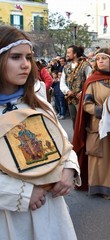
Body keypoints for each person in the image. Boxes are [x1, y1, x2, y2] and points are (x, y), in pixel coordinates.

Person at [0, 25, 81, 240]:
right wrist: (23, 193)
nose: (25, 65)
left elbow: (62, 144)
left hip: (51, 209)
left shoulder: (38, 103)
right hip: (10, 217)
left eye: (28, 57)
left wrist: (68, 170)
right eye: (15, 57)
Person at [72, 48, 110, 199]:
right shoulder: (92, 81)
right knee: (99, 159)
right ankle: (99, 189)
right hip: (99, 126)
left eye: (104, 58)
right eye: (98, 59)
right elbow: (86, 105)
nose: (100, 61)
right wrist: (104, 111)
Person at [60, 45, 92, 129]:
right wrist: (67, 91)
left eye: (68, 52)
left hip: (82, 98)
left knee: (83, 120)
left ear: (75, 54)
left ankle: (85, 141)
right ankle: (76, 140)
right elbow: (62, 82)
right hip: (71, 99)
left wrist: (82, 92)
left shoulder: (85, 65)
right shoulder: (66, 67)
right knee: (74, 120)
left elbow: (90, 80)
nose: (67, 54)